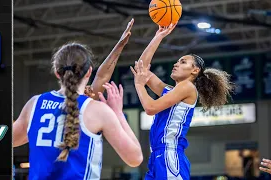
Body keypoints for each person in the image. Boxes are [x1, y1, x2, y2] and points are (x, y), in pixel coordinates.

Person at [13, 21, 143, 179]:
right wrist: (117, 113)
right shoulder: (96, 111)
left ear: (57, 72)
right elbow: (135, 158)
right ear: (88, 72)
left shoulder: (34, 104)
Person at [130, 24, 235, 180]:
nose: (176, 64)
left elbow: (150, 108)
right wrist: (158, 36)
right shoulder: (172, 91)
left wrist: (139, 85)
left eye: (183, 62)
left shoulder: (187, 87)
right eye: (178, 61)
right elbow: (142, 68)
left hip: (169, 154)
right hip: (158, 156)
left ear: (195, 70)